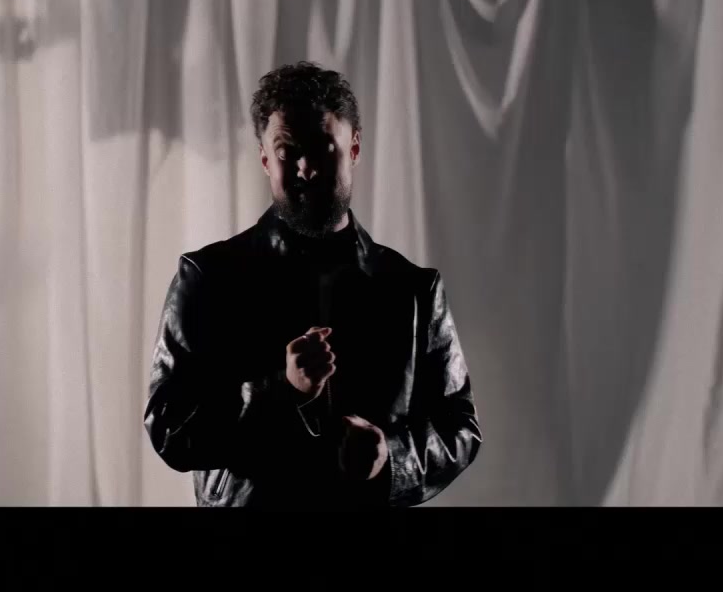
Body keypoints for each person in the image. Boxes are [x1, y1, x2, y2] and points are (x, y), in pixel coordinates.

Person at [144, 61, 482, 507]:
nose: (306, 168)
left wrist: (392, 458)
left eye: (323, 147)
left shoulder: (414, 290)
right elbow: (169, 427)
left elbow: (461, 427)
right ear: (265, 160)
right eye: (288, 151)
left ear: (354, 147)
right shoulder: (208, 278)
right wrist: (281, 391)